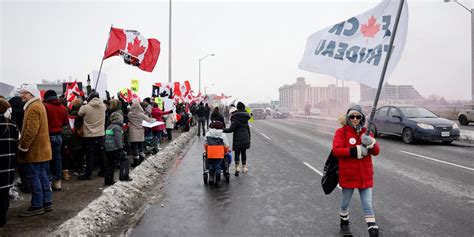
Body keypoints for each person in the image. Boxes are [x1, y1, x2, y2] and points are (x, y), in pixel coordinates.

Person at [332, 104, 380, 237]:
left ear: (361, 117)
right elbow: (336, 151)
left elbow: (376, 152)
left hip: (365, 175)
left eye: (357, 116)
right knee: (345, 202)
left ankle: (373, 230)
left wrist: (371, 143)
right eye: (352, 116)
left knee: (368, 205)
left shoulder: (367, 131)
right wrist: (355, 150)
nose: (354, 119)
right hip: (349, 175)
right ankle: (344, 222)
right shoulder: (341, 132)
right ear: (347, 117)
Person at [17, 84, 53, 217]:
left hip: (35, 150)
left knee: (34, 177)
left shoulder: (32, 107)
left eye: (24, 93)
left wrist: (23, 147)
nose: (21, 95)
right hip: (42, 149)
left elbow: (31, 131)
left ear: (31, 93)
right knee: (42, 175)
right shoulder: (38, 105)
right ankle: (47, 201)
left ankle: (37, 205)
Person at [43, 90, 69, 191]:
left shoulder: (45, 106)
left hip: (47, 135)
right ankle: (57, 182)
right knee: (57, 159)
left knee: (47, 159)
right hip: (58, 135)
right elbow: (66, 122)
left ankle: (48, 181)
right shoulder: (63, 108)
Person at [77, 92, 107, 180]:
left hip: (89, 135)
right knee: (101, 154)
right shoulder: (103, 106)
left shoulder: (85, 107)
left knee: (89, 155)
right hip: (100, 135)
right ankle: (103, 171)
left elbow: (79, 113)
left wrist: (85, 102)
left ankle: (88, 173)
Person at [0, 98, 20, 227]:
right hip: (7, 163)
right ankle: (2, 219)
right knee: (3, 192)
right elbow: (17, 139)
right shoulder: (11, 124)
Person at [104, 112, 132, 185]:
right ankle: (124, 176)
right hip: (115, 148)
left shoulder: (109, 126)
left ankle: (108, 180)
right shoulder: (117, 127)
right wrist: (121, 149)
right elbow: (117, 140)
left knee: (110, 164)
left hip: (108, 148)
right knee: (124, 159)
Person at [223, 102, 251, 176]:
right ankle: (244, 167)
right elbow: (248, 129)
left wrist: (222, 129)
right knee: (243, 152)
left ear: (237, 108)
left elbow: (231, 129)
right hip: (245, 137)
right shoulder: (246, 117)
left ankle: (237, 167)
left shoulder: (235, 117)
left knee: (237, 153)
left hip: (237, 137)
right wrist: (249, 138)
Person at [128, 101, 155, 167]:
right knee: (140, 146)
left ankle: (135, 160)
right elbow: (149, 120)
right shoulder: (142, 114)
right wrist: (154, 119)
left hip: (133, 132)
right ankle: (142, 157)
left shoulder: (130, 114)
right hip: (140, 131)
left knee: (134, 147)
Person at [204, 121, 229, 187]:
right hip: (219, 152)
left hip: (210, 152)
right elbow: (226, 145)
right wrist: (226, 151)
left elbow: (205, 144)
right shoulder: (222, 134)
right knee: (218, 165)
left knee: (211, 165)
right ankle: (218, 180)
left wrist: (207, 150)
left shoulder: (208, 133)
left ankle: (211, 177)